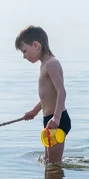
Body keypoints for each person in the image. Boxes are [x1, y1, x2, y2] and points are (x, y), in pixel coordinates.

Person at [15, 25, 71, 164]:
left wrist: (56, 118)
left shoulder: (51, 64)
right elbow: (48, 97)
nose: (24, 56)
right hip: (49, 121)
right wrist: (34, 111)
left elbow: (61, 92)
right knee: (47, 161)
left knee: (54, 165)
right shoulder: (44, 65)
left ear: (36, 45)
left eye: (25, 51)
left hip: (56, 121)